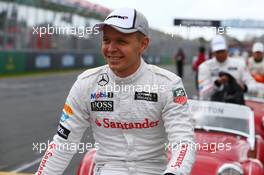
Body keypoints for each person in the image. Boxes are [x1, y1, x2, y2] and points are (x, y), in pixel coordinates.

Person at [35, 8, 195, 175]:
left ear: (143, 44)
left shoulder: (169, 84)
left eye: (121, 41)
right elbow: (63, 143)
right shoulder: (86, 83)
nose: (111, 48)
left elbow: (183, 142)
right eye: (106, 40)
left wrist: (174, 172)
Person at [198, 35, 257, 104]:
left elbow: (253, 85)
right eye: (217, 51)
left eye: (222, 51)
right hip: (213, 107)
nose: (220, 54)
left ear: (227, 49)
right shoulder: (205, 66)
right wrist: (217, 84)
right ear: (213, 52)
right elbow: (202, 94)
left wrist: (244, 87)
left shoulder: (239, 64)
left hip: (236, 105)